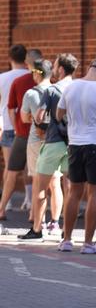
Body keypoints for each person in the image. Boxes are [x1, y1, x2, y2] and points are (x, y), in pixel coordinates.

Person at [56, 59, 96, 254]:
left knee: (74, 192)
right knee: (95, 193)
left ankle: (66, 239)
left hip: (75, 144)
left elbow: (58, 114)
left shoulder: (71, 86)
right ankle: (88, 243)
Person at [27, 54, 79, 238]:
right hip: (73, 143)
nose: (54, 70)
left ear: (61, 69)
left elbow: (40, 117)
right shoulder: (79, 88)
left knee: (41, 187)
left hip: (54, 141)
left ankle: (37, 229)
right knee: (69, 188)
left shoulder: (52, 90)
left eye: (56, 66)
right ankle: (66, 231)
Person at [0, 49, 43, 221]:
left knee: (11, 170)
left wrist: (17, 126)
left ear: (27, 61)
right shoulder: (49, 82)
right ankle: (34, 210)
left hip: (19, 132)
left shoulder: (16, 80)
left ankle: (3, 207)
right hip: (41, 135)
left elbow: (11, 107)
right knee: (37, 173)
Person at [16, 59, 56, 240]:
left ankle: (36, 222)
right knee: (55, 183)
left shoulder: (31, 94)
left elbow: (24, 118)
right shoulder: (59, 90)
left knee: (38, 182)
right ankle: (55, 222)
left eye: (33, 72)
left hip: (35, 140)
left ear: (38, 73)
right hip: (55, 140)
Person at [0, 44, 29, 219]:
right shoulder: (31, 76)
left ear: (10, 58)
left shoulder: (2, 77)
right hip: (26, 126)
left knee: (10, 167)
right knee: (29, 166)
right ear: (25, 59)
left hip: (8, 126)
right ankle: (29, 199)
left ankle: (6, 201)